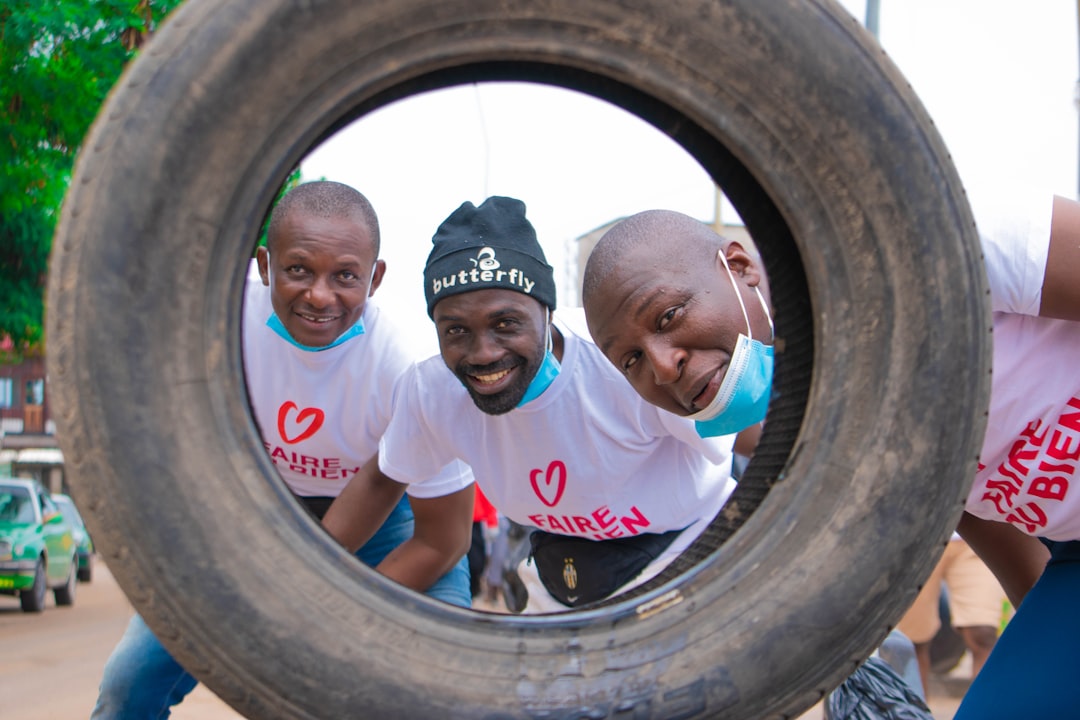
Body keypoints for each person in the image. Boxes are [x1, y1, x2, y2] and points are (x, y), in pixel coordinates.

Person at [580, 195, 1080, 719]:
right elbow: (977, 509)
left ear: (740, 267)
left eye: (668, 316)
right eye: (631, 360)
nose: (661, 367)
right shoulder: (826, 424)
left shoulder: (918, 246)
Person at [91, 181, 473, 719]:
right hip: (258, 514)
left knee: (443, 695)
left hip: (390, 525)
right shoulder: (215, 317)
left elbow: (447, 537)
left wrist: (341, 614)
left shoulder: (406, 370)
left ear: (376, 277)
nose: (320, 296)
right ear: (265, 265)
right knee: (129, 683)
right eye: (298, 270)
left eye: (345, 276)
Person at [323, 195, 738, 612]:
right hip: (561, 571)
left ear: (547, 312)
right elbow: (382, 479)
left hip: (691, 548)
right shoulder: (432, 392)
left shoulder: (623, 362)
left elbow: (763, 441)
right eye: (455, 331)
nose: (483, 352)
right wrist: (312, 588)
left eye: (506, 324)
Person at [894, 533, 1004, 698]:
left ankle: (987, 708)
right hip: (921, 536)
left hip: (976, 537)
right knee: (914, 641)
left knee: (983, 633)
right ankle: (916, 713)